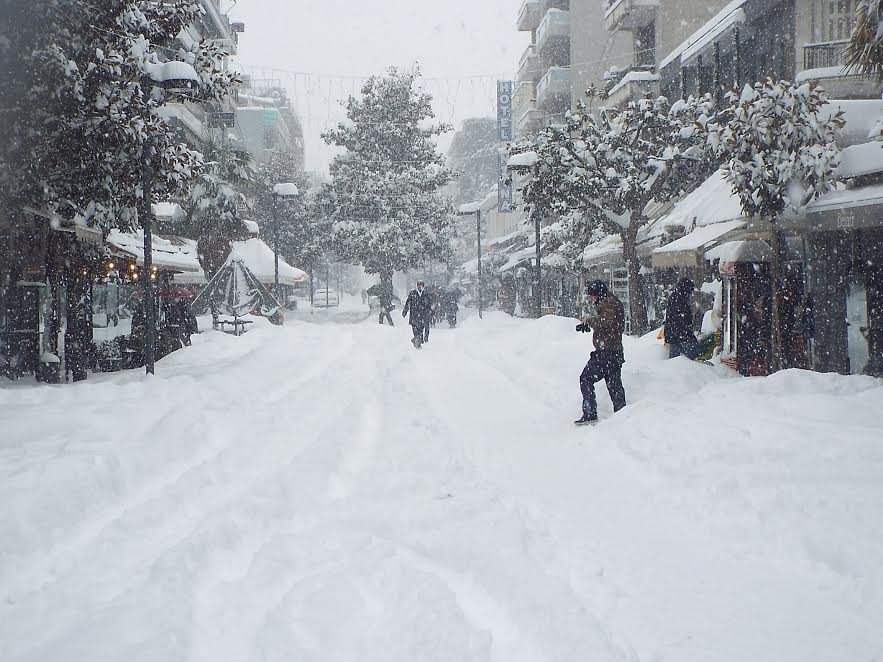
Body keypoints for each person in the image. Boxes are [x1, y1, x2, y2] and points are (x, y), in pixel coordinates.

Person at [575, 280, 627, 425]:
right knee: (614, 385)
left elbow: (606, 322)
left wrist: (590, 320)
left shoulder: (609, 303)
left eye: (592, 295)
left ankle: (590, 413)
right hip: (613, 352)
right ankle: (623, 417)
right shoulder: (608, 302)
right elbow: (607, 326)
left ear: (598, 293)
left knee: (585, 378)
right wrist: (589, 324)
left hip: (607, 353)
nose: (591, 299)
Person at [664, 277, 700, 360]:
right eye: (690, 291)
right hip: (679, 335)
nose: (690, 294)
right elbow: (680, 319)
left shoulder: (676, 297)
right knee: (692, 353)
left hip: (674, 335)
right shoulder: (679, 300)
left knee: (674, 359)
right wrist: (688, 334)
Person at [402, 279, 433, 348]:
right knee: (415, 330)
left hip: (422, 315)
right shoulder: (412, 293)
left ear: (423, 286)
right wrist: (405, 311)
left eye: (421, 285)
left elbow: (429, 305)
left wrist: (429, 312)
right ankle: (417, 342)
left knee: (420, 330)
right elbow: (408, 302)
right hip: (414, 315)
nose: (419, 287)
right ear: (416, 286)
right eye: (418, 285)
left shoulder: (426, 294)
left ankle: (417, 341)